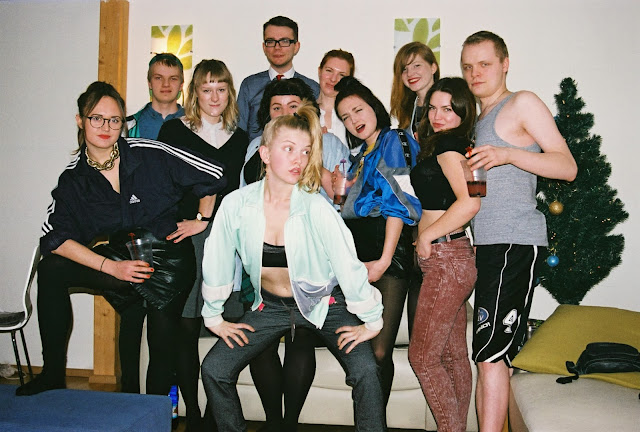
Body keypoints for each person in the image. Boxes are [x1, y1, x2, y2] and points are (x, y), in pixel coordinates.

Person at [16, 81, 226, 398]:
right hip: (123, 260)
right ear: (80, 120)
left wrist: (202, 220)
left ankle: (154, 413)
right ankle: (53, 374)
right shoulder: (75, 179)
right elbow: (54, 237)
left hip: (168, 261)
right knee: (51, 269)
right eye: (96, 118)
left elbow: (213, 174)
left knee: (160, 349)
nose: (106, 127)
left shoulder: (148, 152)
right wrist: (110, 268)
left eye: (114, 120)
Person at [200, 101, 386, 432]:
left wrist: (371, 321)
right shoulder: (236, 205)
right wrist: (214, 316)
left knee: (366, 370)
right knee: (215, 369)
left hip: (324, 303)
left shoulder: (316, 208)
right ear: (265, 153)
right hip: (269, 306)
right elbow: (217, 259)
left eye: (305, 151)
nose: (298, 159)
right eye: (289, 149)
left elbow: (347, 264)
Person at [460, 31, 577, 431]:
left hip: (514, 241)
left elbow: (567, 166)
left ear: (505, 64)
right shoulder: (478, 119)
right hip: (490, 243)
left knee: (490, 355)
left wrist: (508, 154)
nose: (475, 73)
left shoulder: (521, 102)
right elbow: (481, 190)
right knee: (496, 356)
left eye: (484, 64)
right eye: (468, 66)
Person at [239, 77, 348, 431]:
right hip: (263, 261)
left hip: (309, 262)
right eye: (276, 108)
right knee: (261, 343)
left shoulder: (329, 144)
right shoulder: (256, 146)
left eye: (293, 106)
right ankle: (273, 421)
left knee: (301, 339)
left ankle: (289, 423)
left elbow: (342, 203)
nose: (285, 113)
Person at [157, 59, 249, 431]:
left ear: (230, 93)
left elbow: (238, 194)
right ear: (195, 93)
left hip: (227, 239)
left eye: (221, 89)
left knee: (231, 325)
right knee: (187, 327)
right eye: (206, 89)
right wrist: (194, 220)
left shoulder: (240, 138)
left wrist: (210, 220)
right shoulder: (173, 130)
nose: (214, 97)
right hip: (187, 239)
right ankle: (192, 414)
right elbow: (161, 186)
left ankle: (214, 413)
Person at [334, 76, 422, 407]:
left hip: (388, 249)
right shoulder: (360, 156)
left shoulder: (393, 139)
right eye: (345, 117)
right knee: (366, 351)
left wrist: (385, 259)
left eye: (358, 110)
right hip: (360, 252)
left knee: (379, 349)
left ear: (374, 107)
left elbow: (398, 202)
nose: (353, 120)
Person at [408, 77, 481, 432]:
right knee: (453, 356)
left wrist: (427, 235)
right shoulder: (457, 146)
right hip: (453, 256)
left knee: (422, 357)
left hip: (446, 257)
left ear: (463, 112)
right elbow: (473, 192)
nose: (437, 116)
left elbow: (471, 202)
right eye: (433, 108)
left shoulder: (450, 147)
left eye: (448, 109)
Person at [237, 15, 320, 140]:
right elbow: (239, 132)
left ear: (296, 46)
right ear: (264, 47)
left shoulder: (312, 88)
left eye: (284, 41)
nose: (277, 47)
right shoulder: (249, 85)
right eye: (271, 42)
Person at [127, 53, 185, 139]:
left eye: (173, 79)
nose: (166, 84)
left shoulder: (195, 126)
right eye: (158, 78)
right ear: (149, 83)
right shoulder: (128, 127)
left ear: (181, 85)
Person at [390, 42, 440, 139]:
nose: (409, 73)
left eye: (417, 65)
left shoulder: (449, 100)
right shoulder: (407, 107)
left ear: (433, 68)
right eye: (404, 69)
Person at [316, 49, 355, 150]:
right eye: (329, 71)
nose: (333, 79)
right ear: (319, 71)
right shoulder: (304, 113)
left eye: (341, 75)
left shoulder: (355, 117)